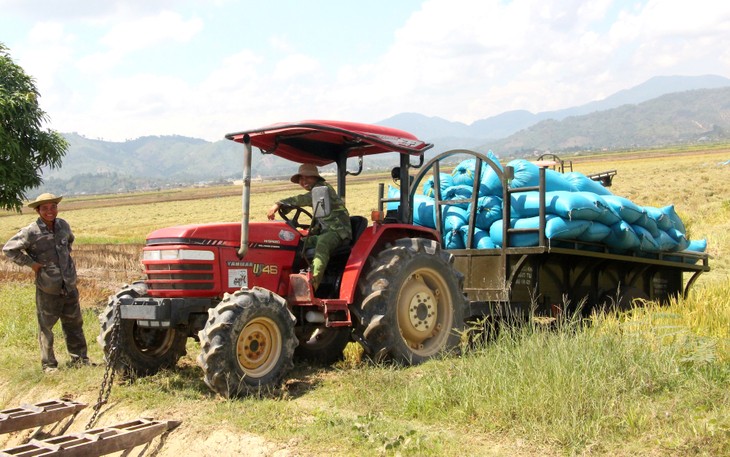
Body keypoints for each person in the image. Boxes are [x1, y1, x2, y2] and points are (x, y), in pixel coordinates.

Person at [3, 193, 91, 373]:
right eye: (45, 208)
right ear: (38, 210)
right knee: (47, 327)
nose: (50, 211)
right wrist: (31, 264)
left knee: (74, 323)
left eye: (53, 207)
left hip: (69, 285)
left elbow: (69, 242)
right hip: (48, 286)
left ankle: (80, 359)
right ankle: (49, 365)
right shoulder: (31, 231)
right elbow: (9, 249)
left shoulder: (63, 225)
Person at [267, 164, 352, 291]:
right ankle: (293, 276)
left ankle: (312, 284)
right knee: (298, 242)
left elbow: (304, 199)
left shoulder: (322, 189)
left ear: (316, 177)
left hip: (338, 231)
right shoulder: (317, 192)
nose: (303, 181)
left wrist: (278, 204)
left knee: (322, 244)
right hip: (325, 231)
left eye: (307, 177)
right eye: (301, 179)